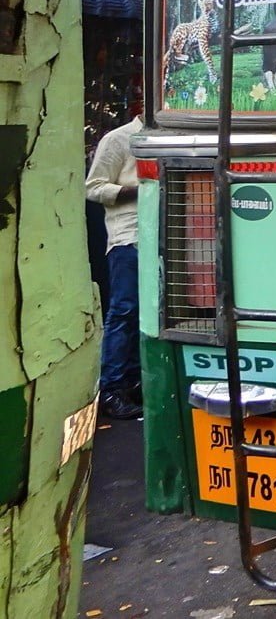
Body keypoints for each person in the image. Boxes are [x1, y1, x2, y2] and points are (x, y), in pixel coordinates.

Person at [86, 109, 143, 420]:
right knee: (124, 310)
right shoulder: (118, 139)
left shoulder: (164, 140)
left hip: (157, 238)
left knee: (142, 313)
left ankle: (131, 383)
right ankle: (111, 389)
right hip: (127, 239)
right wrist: (136, 191)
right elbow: (93, 187)